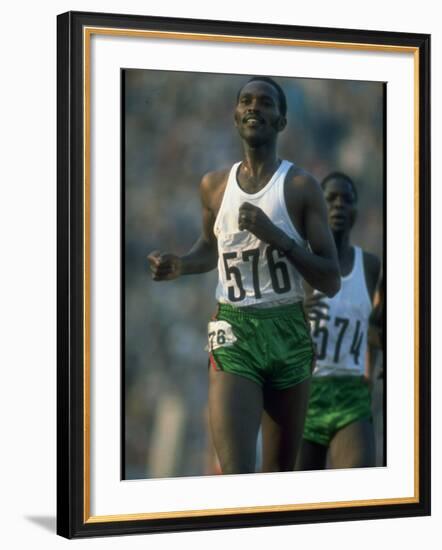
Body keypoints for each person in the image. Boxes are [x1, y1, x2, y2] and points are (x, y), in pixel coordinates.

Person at [148, 76, 340, 475]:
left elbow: (330, 278)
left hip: (288, 328)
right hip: (234, 329)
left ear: (282, 121)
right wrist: (181, 264)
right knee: (236, 474)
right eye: (246, 101)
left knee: (278, 479)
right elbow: (209, 248)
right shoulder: (213, 186)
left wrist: (278, 238)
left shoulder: (301, 187)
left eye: (266, 103)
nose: (254, 107)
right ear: (236, 117)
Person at [296, 172, 382, 471]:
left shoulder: (371, 267)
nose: (339, 205)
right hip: (305, 396)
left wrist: (375, 368)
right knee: (299, 505)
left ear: (357, 210)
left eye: (347, 199)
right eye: (331, 198)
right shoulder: (299, 265)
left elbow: (379, 327)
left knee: (359, 492)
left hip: (351, 396)